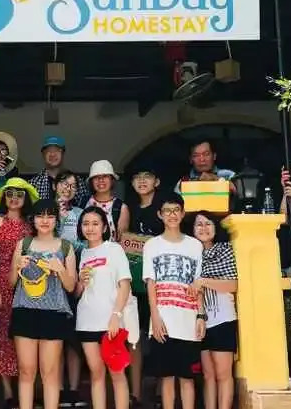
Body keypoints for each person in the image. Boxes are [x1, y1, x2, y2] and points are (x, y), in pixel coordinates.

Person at [9, 199, 77, 409]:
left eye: (50, 216)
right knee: (26, 371)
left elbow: (71, 286)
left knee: (50, 372)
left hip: (54, 313)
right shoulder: (23, 244)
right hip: (24, 311)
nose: (45, 220)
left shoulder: (66, 246)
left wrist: (60, 269)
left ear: (57, 220)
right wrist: (17, 266)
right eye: (40, 216)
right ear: (33, 219)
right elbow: (11, 282)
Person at [142, 193, 206, 409]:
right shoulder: (152, 245)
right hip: (163, 319)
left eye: (176, 210)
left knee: (187, 378)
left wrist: (201, 315)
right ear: (160, 214)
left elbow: (199, 284)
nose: (172, 215)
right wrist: (154, 317)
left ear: (183, 213)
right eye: (167, 211)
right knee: (166, 376)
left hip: (189, 319)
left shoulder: (195, 245)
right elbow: (151, 283)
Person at [0, 178, 37, 409]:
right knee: (3, 336)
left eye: (19, 194)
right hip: (2, 284)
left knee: (23, 337)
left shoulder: (30, 226)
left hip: (28, 286)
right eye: (10, 194)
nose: (14, 198)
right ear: (3, 198)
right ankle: (7, 392)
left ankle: (23, 389)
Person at [75, 206, 132, 409]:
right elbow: (77, 292)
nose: (90, 228)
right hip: (86, 320)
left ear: (105, 227)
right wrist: (81, 282)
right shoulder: (82, 253)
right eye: (86, 224)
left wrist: (116, 315)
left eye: (95, 223)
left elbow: (125, 284)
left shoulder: (114, 249)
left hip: (111, 321)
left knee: (117, 373)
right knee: (96, 373)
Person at [187, 211, 238, 409]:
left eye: (208, 223)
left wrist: (203, 282)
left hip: (223, 318)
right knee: (208, 375)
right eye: (199, 224)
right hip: (199, 321)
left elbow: (233, 285)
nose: (204, 228)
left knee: (223, 374)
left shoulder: (224, 249)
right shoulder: (191, 254)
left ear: (216, 228)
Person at [127, 167, 164, 407]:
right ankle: (135, 394)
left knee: (162, 333)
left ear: (156, 181)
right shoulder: (128, 210)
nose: (142, 181)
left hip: (161, 281)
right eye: (137, 178)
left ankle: (161, 391)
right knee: (135, 337)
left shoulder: (164, 209)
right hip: (135, 282)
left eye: (147, 177)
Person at [53, 171, 85, 407]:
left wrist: (70, 245)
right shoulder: (46, 210)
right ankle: (56, 389)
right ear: (56, 185)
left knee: (73, 338)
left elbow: (85, 242)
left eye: (73, 185)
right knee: (55, 338)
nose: (68, 188)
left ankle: (73, 390)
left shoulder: (80, 213)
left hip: (74, 278)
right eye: (64, 183)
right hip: (48, 282)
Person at [29, 136, 90, 207]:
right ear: (43, 154)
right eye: (48, 151)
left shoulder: (77, 181)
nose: (52, 154)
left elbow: (85, 208)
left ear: (63, 153)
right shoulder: (34, 183)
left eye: (57, 150)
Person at [86, 160, 129, 242]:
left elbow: (122, 241)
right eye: (96, 177)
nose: (101, 180)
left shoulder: (121, 207)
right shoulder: (83, 202)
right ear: (91, 181)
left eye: (105, 176)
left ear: (112, 180)